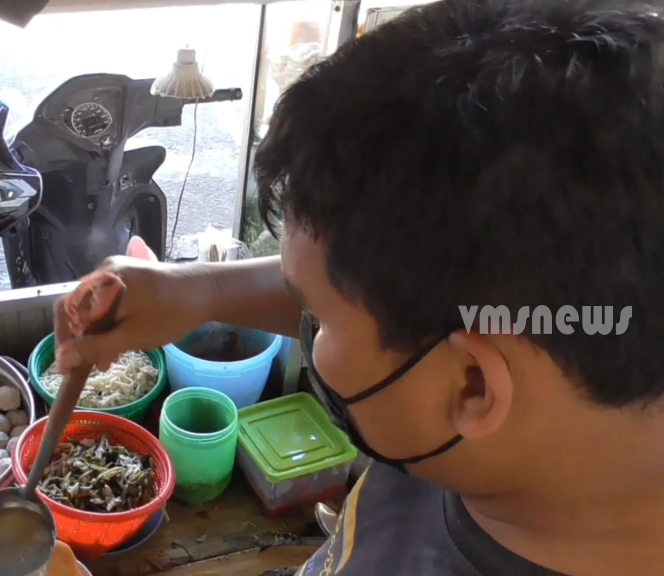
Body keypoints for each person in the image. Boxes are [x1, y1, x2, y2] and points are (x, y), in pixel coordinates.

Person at [53, 1, 664, 574]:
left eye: (316, 313)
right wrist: (201, 290)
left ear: (473, 386)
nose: (307, 322)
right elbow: (397, 307)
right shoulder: (530, 394)